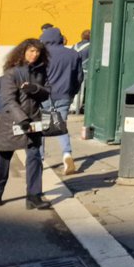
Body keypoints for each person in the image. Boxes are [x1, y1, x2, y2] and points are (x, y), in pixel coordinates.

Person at [0, 38, 52, 210]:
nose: (34, 55)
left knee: (34, 157)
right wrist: (22, 120)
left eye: (37, 52)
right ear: (23, 52)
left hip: (33, 120)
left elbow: (47, 92)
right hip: (11, 122)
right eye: (31, 51)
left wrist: (35, 89)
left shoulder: (40, 71)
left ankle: (34, 196)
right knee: (4, 159)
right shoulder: (11, 73)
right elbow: (8, 100)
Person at [40, 27, 82, 174]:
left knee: (42, 126)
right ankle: (67, 154)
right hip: (64, 95)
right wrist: (72, 93)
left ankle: (39, 159)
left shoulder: (42, 55)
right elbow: (79, 77)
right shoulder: (73, 54)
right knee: (61, 126)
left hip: (44, 96)